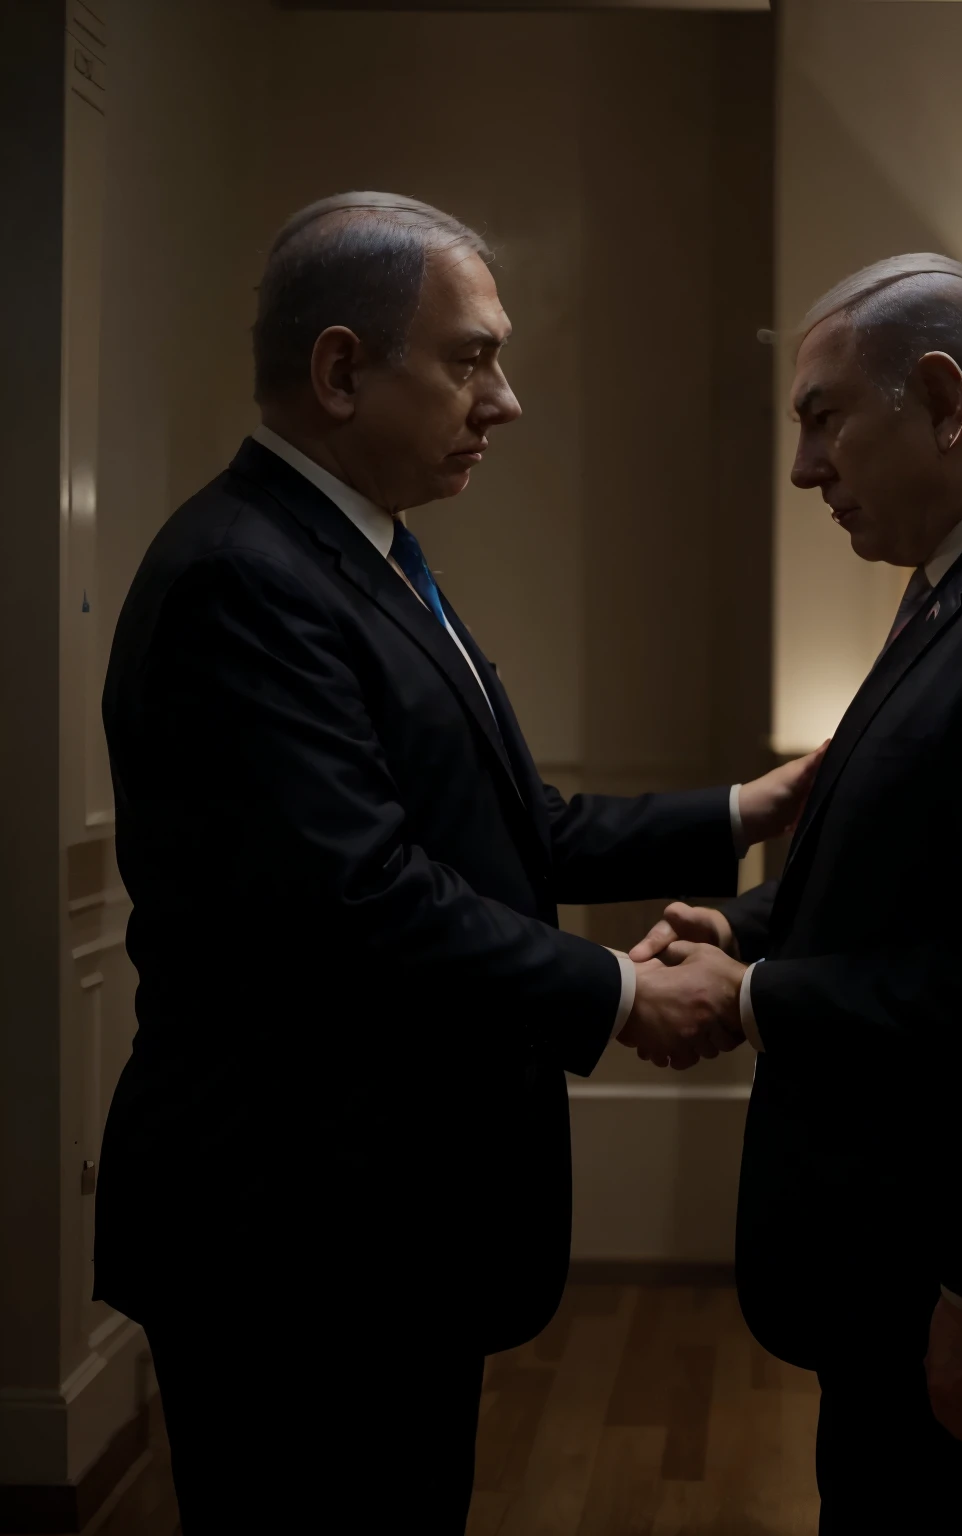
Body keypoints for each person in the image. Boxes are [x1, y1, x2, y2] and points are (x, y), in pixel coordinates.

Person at [93, 192, 816, 1533]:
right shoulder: (242, 579)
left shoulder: (360, 553)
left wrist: (739, 809)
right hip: (291, 1234)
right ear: (340, 371)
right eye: (473, 358)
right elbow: (363, 896)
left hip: (372, 1229)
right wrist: (618, 993)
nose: (508, 400)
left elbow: (509, 829)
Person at [631, 253, 962, 1534]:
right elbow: (928, 881)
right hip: (906, 1275)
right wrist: (742, 924)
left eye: (823, 418)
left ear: (940, 399)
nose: (806, 467)